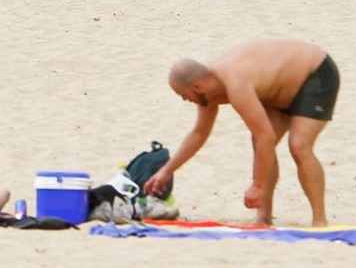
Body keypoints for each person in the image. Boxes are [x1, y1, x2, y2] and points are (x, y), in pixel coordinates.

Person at [143, 39, 338, 227]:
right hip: (279, 90)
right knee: (260, 142)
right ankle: (264, 219)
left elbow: (265, 136)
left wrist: (257, 186)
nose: (185, 100)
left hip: (315, 73)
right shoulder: (207, 89)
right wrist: (167, 171)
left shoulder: (235, 83)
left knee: (298, 146)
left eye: (183, 95)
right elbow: (199, 134)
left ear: (196, 87)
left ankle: (319, 220)